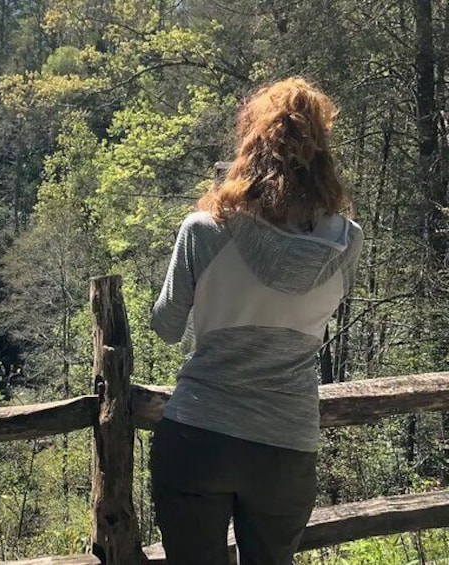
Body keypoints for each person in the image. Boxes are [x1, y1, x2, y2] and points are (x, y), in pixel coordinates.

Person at [149, 77, 363, 565]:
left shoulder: (205, 229)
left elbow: (166, 325)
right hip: (288, 443)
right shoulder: (348, 241)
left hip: (199, 432)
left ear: (249, 140)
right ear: (321, 150)